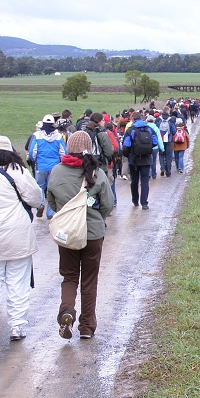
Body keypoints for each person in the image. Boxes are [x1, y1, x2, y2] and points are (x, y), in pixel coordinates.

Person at [47, 131, 114, 340]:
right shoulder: (97, 172)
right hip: (93, 234)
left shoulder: (57, 172)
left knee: (69, 276)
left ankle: (67, 311)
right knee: (89, 280)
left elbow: (51, 201)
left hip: (67, 234)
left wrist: (66, 217)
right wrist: (96, 219)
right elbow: (108, 205)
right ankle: (86, 326)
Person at [0, 136, 42, 341]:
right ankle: (17, 326)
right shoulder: (18, 171)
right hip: (18, 235)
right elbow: (35, 198)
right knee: (18, 281)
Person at [28, 114, 68, 219]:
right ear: (53, 124)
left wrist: (34, 161)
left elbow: (32, 152)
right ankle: (50, 213)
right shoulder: (58, 136)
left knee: (40, 186)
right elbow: (64, 152)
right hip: (54, 167)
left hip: (41, 166)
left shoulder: (37, 135)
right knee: (52, 189)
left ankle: (40, 205)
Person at [122, 111, 157, 210]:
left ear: (133, 119)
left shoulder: (130, 130)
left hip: (134, 159)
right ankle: (144, 203)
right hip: (146, 159)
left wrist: (128, 155)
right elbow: (155, 142)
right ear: (142, 118)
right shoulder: (149, 129)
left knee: (134, 180)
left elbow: (126, 146)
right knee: (145, 181)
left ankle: (135, 200)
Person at [156, 108, 175, 177]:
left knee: (161, 154)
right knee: (168, 156)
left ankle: (162, 168)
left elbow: (156, 129)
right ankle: (168, 172)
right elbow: (174, 131)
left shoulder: (158, 119)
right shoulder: (171, 120)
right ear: (168, 111)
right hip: (169, 140)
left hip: (161, 140)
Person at [145, 115, 164, 179]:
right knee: (154, 161)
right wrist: (162, 148)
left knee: (147, 160)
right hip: (155, 147)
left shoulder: (145, 127)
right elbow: (159, 138)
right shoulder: (156, 128)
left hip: (147, 147)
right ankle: (154, 174)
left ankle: (149, 174)